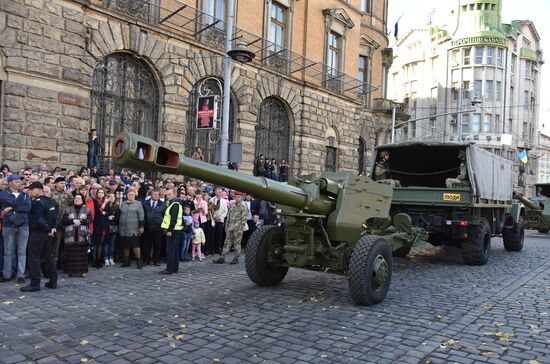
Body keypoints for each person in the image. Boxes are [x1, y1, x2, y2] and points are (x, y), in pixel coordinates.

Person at [21, 182, 57, 292]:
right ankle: (53, 281)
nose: (30, 192)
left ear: (39, 190)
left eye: (32, 190)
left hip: (38, 233)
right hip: (48, 233)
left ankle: (35, 283)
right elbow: (55, 217)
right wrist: (51, 229)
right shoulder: (50, 201)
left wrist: (47, 229)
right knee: (49, 257)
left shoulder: (38, 202)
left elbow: (39, 219)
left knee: (34, 258)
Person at [0, 175, 31, 284]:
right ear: (9, 183)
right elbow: (5, 207)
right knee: (8, 251)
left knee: (22, 251)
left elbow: (27, 208)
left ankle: (20, 274)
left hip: (23, 225)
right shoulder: (3, 194)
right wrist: (9, 209)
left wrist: (11, 208)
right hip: (8, 225)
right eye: (16, 181)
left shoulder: (25, 195)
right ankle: (7, 274)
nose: (19, 182)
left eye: (19, 181)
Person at [213, 191, 248, 265]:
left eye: (239, 197)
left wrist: (241, 229)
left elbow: (244, 219)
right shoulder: (232, 205)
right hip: (230, 227)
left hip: (237, 228)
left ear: (241, 197)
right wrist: (226, 226)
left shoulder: (243, 206)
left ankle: (236, 258)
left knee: (237, 244)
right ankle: (222, 257)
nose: (237, 198)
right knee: (226, 243)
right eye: (236, 197)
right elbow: (228, 216)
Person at [63, 194, 92, 277]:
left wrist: (80, 222)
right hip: (70, 235)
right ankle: (68, 272)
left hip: (82, 235)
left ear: (82, 200)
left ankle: (82, 271)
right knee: (70, 255)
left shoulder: (87, 210)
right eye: (76, 198)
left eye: (79, 198)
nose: (77, 199)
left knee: (82, 255)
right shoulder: (68, 210)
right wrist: (73, 221)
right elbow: (64, 220)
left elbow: (90, 220)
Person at [118, 190, 145, 269]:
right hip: (123, 228)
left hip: (134, 228)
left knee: (135, 245)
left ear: (135, 195)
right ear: (127, 195)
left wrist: (141, 227)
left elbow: (141, 216)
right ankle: (126, 261)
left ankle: (139, 261)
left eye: (132, 195)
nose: (131, 196)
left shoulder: (138, 204)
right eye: (129, 195)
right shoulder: (123, 204)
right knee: (125, 245)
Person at [159, 189, 183, 275]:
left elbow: (173, 219)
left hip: (173, 230)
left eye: (169, 194)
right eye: (166, 195)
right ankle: (174, 268)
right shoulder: (174, 203)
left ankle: (169, 269)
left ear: (174, 194)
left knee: (171, 250)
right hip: (175, 230)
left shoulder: (175, 204)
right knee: (174, 250)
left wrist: (169, 230)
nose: (167, 196)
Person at [50, 177, 71, 268]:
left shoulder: (66, 193)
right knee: (56, 246)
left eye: (64, 183)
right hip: (56, 222)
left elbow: (71, 203)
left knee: (67, 245)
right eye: (61, 183)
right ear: (56, 184)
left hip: (66, 221)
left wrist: (69, 195)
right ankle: (52, 266)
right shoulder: (52, 193)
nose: (63, 184)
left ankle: (64, 265)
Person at [142, 190, 166, 266]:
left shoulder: (162, 204)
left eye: (158, 195)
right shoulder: (145, 203)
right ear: (151, 195)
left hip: (158, 228)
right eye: (155, 194)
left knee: (157, 245)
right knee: (146, 245)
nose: (157, 196)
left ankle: (156, 260)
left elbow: (164, 216)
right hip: (147, 227)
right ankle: (146, 260)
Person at [92, 188, 109, 268]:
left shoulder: (106, 202)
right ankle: (94, 260)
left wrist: (103, 211)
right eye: (99, 192)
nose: (100, 194)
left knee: (101, 243)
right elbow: (98, 211)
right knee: (96, 243)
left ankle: (99, 260)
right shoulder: (94, 201)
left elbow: (108, 212)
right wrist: (104, 205)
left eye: (102, 193)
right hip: (97, 224)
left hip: (104, 225)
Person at [209, 187, 228, 255]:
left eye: (220, 190)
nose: (219, 191)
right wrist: (214, 217)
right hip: (213, 220)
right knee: (212, 235)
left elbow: (225, 211)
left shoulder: (224, 201)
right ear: (215, 191)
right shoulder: (212, 199)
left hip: (220, 220)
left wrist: (221, 217)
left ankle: (218, 248)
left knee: (219, 235)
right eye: (218, 190)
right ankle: (212, 249)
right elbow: (210, 210)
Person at [103, 193, 119, 266]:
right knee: (106, 243)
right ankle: (106, 259)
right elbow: (102, 214)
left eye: (113, 196)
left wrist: (113, 218)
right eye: (110, 196)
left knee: (112, 243)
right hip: (106, 226)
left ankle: (111, 258)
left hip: (114, 227)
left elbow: (118, 217)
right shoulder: (105, 205)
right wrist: (107, 217)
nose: (112, 198)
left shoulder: (116, 206)